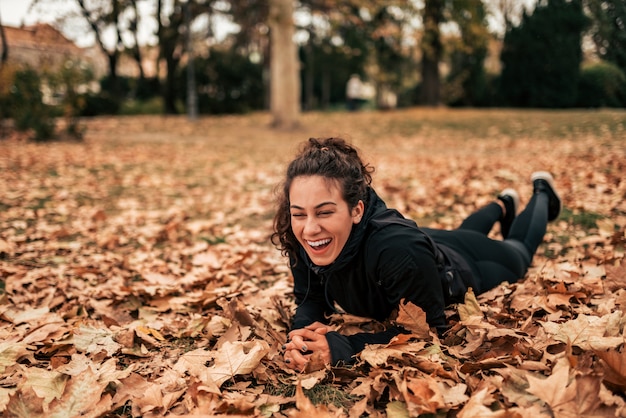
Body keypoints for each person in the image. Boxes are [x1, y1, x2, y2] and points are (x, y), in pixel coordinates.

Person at [272, 137, 562, 371]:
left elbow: (429, 332)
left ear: (356, 210)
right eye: (299, 213)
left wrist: (343, 347)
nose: (310, 229)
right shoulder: (304, 235)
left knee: (519, 253)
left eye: (324, 212)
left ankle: (542, 193)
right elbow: (311, 297)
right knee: (463, 232)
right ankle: (501, 206)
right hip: (426, 246)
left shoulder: (398, 250)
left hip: (467, 263)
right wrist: (301, 338)